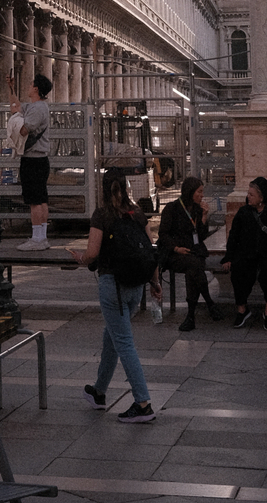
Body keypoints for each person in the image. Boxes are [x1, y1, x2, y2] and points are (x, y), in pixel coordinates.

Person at [70, 168, 162, 424]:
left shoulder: (102, 215)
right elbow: (150, 249)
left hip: (112, 286)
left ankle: (143, 402)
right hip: (135, 287)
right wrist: (155, 282)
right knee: (112, 336)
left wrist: (80, 258)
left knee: (124, 343)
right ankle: (99, 392)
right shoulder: (137, 213)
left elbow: (92, 252)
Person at [221, 176, 267, 330]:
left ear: (261, 197)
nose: (248, 197)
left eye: (252, 194)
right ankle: (242, 309)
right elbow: (234, 236)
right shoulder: (243, 212)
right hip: (247, 253)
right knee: (239, 271)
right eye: (248, 194)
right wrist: (228, 257)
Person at [157, 176, 223, 331]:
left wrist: (204, 217)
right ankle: (209, 303)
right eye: (199, 192)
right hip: (175, 253)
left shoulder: (198, 210)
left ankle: (191, 316)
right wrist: (176, 248)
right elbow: (163, 234)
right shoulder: (172, 209)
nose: (202, 195)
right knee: (193, 265)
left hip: (194, 252)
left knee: (193, 268)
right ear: (190, 192)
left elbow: (201, 236)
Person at [10, 74, 53, 249]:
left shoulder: (37, 109)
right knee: (41, 199)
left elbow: (24, 130)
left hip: (33, 159)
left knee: (35, 200)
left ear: (36, 88)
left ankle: (37, 239)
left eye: (30, 84)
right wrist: (11, 88)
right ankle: (42, 237)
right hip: (39, 159)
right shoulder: (36, 106)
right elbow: (16, 106)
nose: (28, 86)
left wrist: (14, 121)